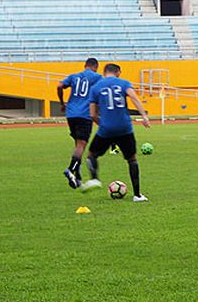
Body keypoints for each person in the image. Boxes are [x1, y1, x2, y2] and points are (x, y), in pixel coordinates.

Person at [83, 63, 150, 202]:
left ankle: (94, 178)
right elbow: (134, 98)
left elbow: (92, 114)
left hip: (106, 129)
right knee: (132, 159)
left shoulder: (96, 88)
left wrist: (103, 125)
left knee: (91, 155)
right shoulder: (124, 83)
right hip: (125, 128)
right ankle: (137, 195)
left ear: (104, 72)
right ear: (118, 72)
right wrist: (143, 115)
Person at [57, 58, 102, 189]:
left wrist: (61, 103)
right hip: (85, 114)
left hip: (71, 114)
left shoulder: (74, 76)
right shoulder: (97, 77)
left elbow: (59, 86)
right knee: (82, 145)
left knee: (78, 144)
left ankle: (77, 177)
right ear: (96, 67)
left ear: (85, 66)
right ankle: (70, 170)